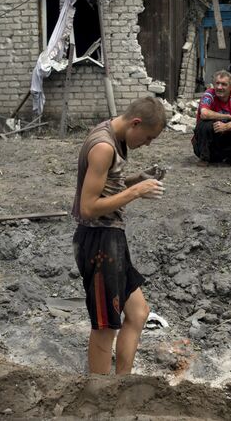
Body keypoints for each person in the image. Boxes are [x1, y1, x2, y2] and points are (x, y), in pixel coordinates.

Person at [71, 97, 167, 375]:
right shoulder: (103, 146)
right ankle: (99, 394)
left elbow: (106, 185)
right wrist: (136, 192)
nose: (147, 143)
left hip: (113, 238)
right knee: (105, 326)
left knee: (138, 314)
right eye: (148, 137)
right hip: (98, 240)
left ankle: (120, 385)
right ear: (135, 123)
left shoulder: (112, 136)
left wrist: (137, 178)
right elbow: (88, 208)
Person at [192, 70, 231, 167]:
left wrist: (228, 125)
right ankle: (204, 158)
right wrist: (228, 117)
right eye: (217, 83)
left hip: (225, 145)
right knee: (205, 123)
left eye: (224, 84)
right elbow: (204, 113)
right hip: (204, 145)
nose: (219, 87)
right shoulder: (209, 94)